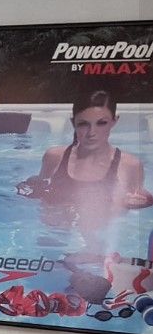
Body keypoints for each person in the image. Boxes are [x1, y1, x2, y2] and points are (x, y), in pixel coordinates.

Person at [17, 89, 153, 234]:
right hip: (54, 233)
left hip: (101, 236)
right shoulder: (54, 157)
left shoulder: (130, 165)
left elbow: (139, 207)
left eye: (101, 123)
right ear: (73, 122)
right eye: (83, 124)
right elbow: (38, 190)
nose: (91, 132)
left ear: (114, 121)